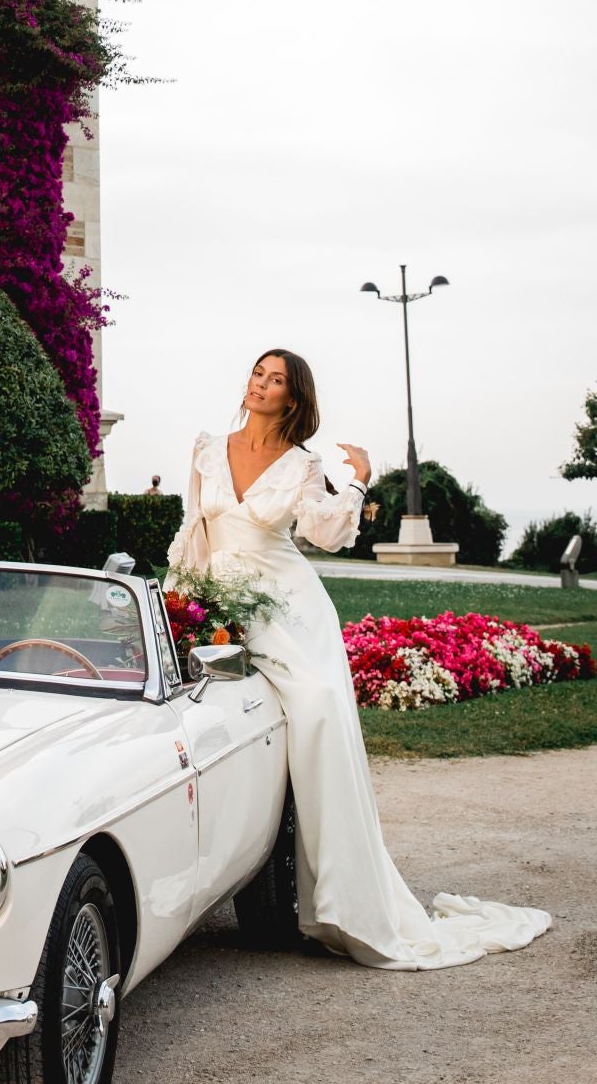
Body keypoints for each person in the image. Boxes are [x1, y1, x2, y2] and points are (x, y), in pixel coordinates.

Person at [166, 347, 550, 970]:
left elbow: (328, 533)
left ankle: (345, 901)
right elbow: (195, 530)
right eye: (257, 375)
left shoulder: (300, 464)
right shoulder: (208, 448)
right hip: (223, 599)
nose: (260, 385)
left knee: (317, 714)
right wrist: (188, 603)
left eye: (275, 380)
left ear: (294, 398)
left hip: (289, 609)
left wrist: (359, 480)